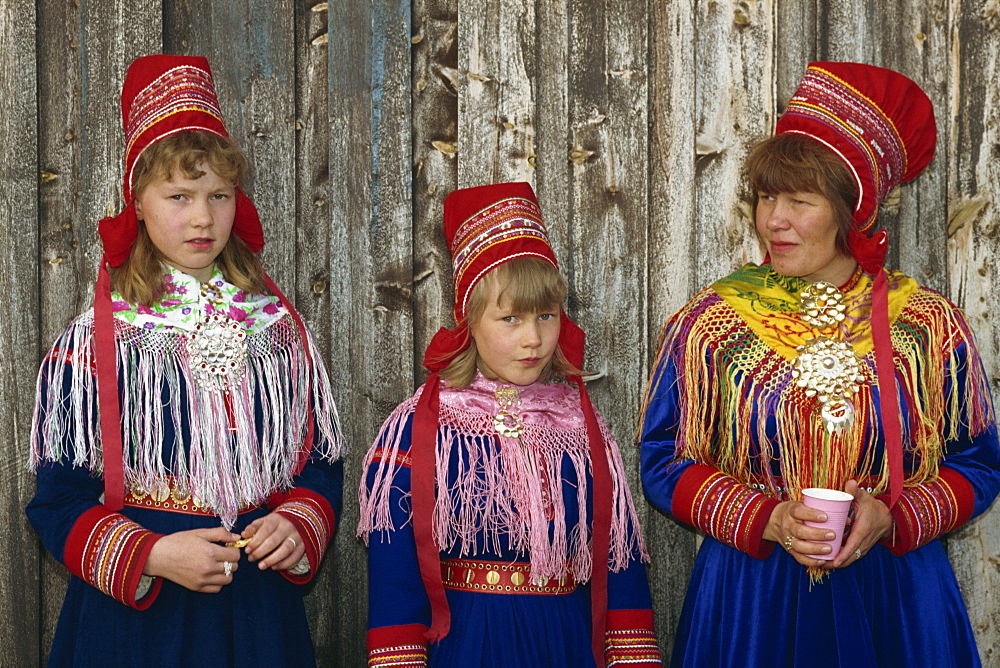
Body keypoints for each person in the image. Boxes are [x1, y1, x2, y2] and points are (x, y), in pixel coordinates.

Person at [639, 62, 1000, 667]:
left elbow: (979, 462)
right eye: (764, 197)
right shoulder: (712, 324)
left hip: (896, 598)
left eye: (798, 201)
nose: (772, 219)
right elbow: (662, 461)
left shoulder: (927, 327)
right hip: (752, 601)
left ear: (851, 210)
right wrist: (770, 517)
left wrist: (894, 514)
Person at [26, 55, 344, 666]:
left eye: (218, 195)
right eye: (179, 195)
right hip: (141, 626)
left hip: (255, 615)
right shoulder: (98, 343)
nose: (202, 217)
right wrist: (153, 555)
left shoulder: (278, 332)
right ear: (137, 202)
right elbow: (57, 501)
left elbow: (318, 464)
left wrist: (297, 522)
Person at [358, 182, 662, 667]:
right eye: (510, 319)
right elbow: (395, 573)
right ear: (469, 320)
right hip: (470, 643)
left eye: (546, 315)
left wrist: (633, 660)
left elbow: (617, 562)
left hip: (566, 643)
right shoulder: (422, 426)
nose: (534, 339)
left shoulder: (581, 425)